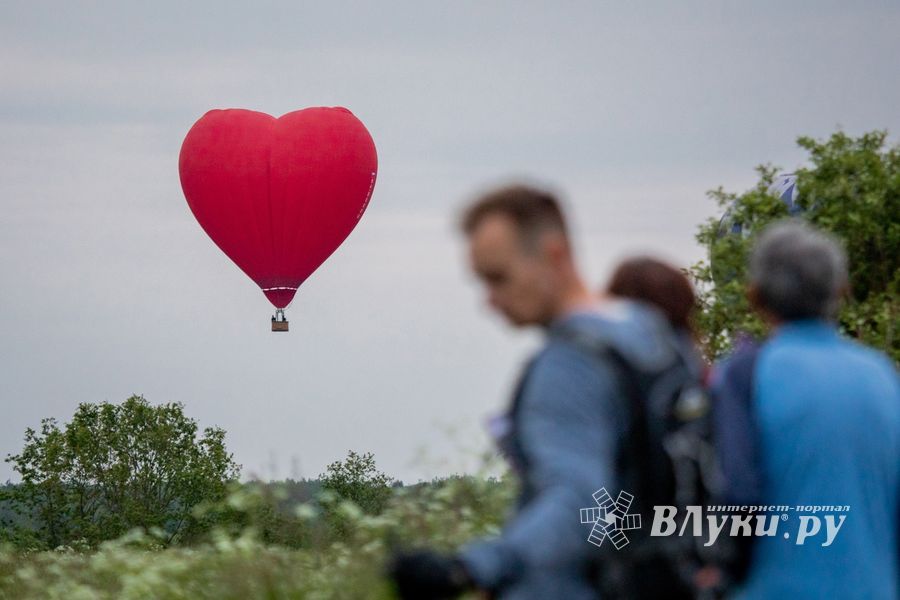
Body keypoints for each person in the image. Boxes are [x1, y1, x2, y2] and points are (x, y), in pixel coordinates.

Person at [390, 185, 693, 599]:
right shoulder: (653, 335)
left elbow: (580, 501)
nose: (490, 301)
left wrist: (470, 568)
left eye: (499, 277)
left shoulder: (569, 364)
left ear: (554, 255)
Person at [712, 220, 900, 598]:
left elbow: (738, 497)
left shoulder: (742, 376)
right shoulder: (882, 374)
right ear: (840, 290)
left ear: (755, 295)